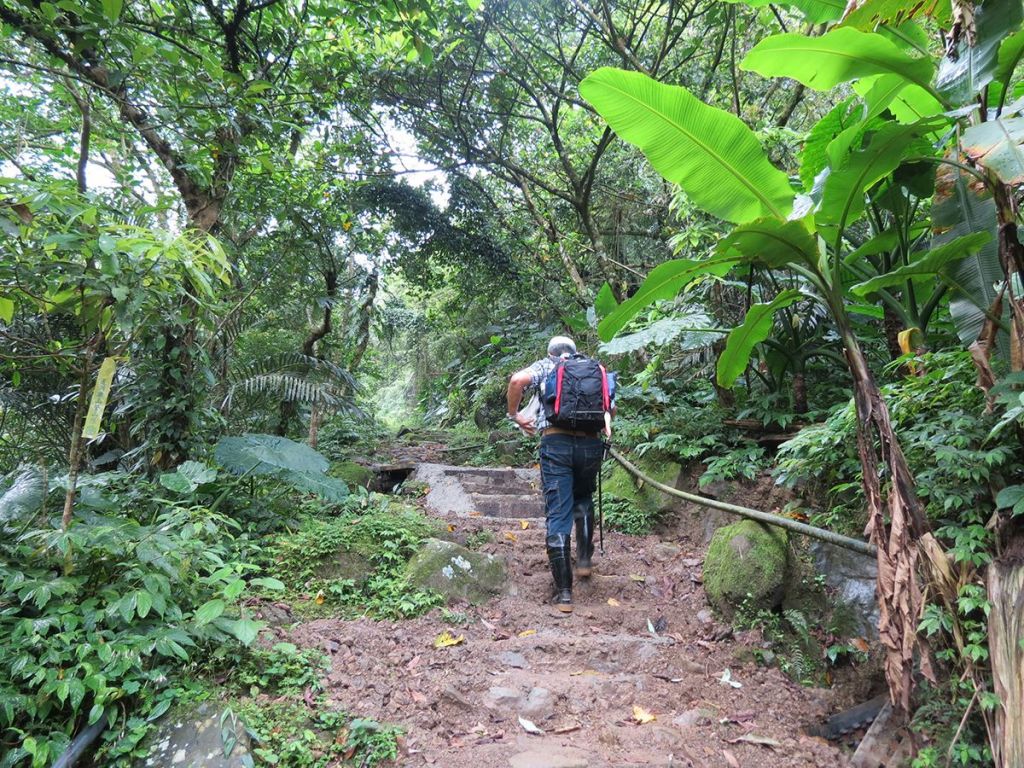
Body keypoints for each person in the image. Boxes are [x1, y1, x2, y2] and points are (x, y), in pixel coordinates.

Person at [506, 336, 610, 614]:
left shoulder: (546, 366)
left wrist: (514, 414)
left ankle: (564, 594)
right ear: (575, 352)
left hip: (556, 443)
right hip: (591, 443)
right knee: (584, 497)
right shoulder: (592, 368)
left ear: (551, 353)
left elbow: (517, 381)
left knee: (558, 513)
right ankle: (584, 560)